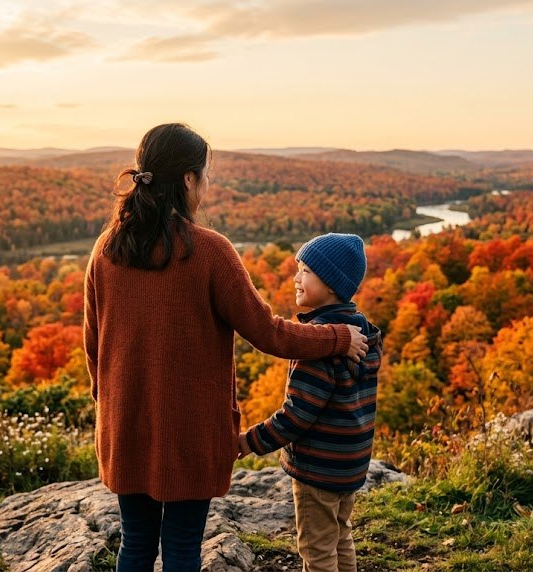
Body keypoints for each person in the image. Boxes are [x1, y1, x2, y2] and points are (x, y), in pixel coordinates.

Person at [82, 123, 368, 572]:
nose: (207, 185)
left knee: (135, 544)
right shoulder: (210, 252)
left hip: (125, 426)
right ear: (188, 181)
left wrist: (116, 413)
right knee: (180, 548)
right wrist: (338, 336)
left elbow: (93, 349)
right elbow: (269, 333)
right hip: (190, 435)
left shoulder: (106, 249)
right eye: (206, 175)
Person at [238, 233, 383, 572]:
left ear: (331, 283)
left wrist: (250, 441)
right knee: (340, 536)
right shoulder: (363, 332)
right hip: (350, 465)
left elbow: (295, 415)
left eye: (305, 270)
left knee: (316, 550)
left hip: (317, 469)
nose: (296, 278)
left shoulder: (318, 344)